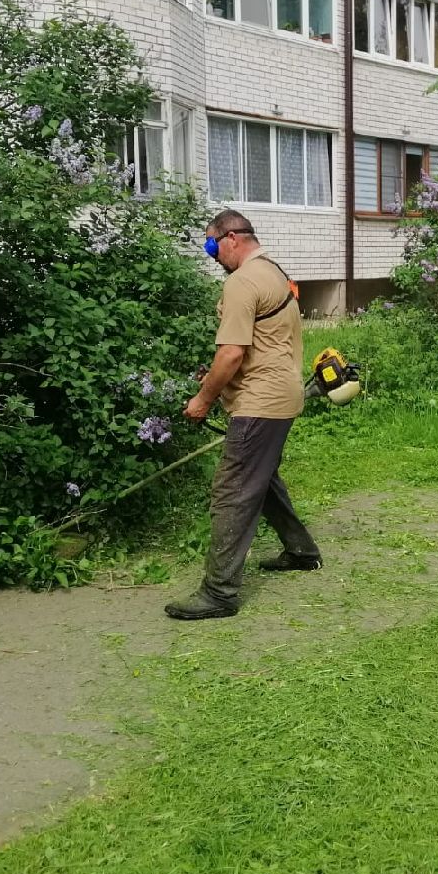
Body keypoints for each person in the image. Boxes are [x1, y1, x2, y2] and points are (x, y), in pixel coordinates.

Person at [167, 210, 324, 620]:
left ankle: (219, 593)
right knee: (262, 479)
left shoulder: (241, 281)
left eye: (209, 245)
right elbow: (257, 348)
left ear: (231, 238)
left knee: (233, 490)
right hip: (280, 395)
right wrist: (217, 380)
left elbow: (232, 353)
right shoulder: (272, 271)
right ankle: (301, 550)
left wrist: (202, 399)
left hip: (261, 403)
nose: (210, 255)